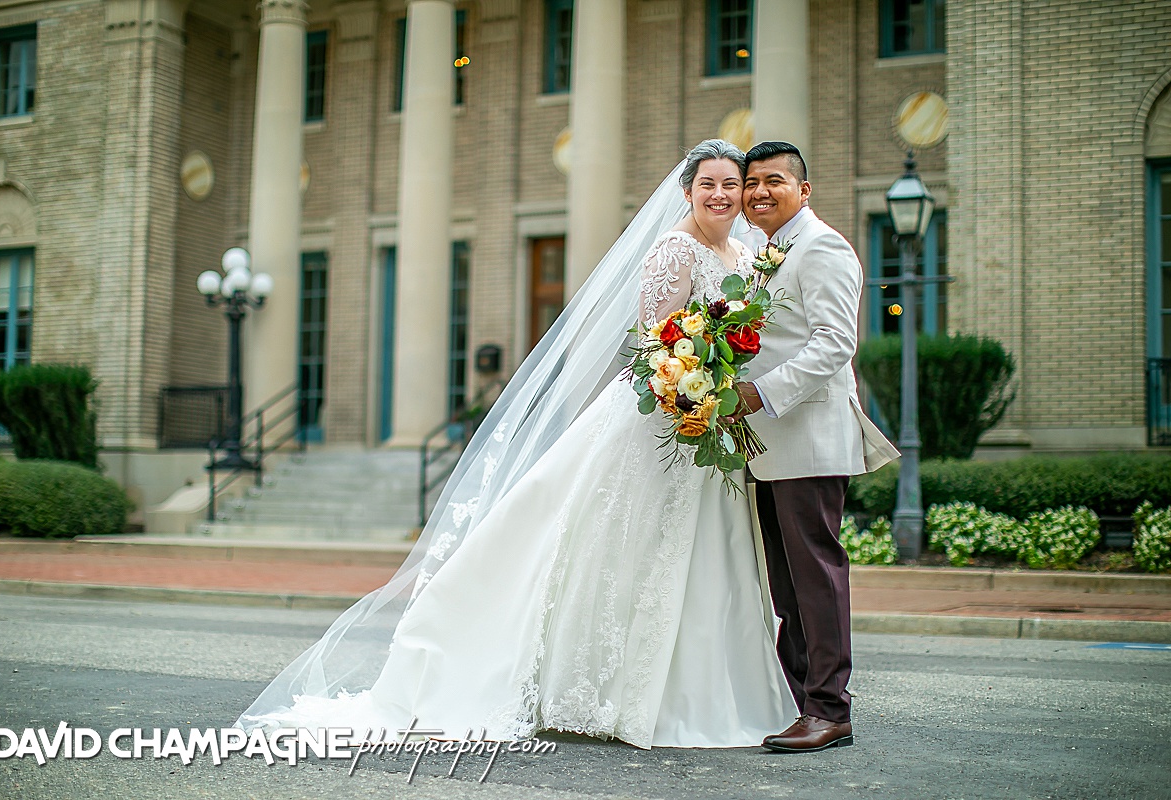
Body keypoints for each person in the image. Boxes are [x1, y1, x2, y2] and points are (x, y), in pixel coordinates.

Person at [237, 140, 798, 749]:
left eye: (732, 185)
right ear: (687, 190)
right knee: (612, 549)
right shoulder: (674, 249)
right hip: (661, 418)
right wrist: (690, 383)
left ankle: (693, 694)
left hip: (710, 427)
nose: (722, 195)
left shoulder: (744, 252)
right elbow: (654, 345)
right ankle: (591, 688)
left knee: (701, 557)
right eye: (709, 183)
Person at [724, 141, 899, 753]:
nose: (757, 193)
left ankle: (830, 708)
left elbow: (832, 345)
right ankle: (799, 698)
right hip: (769, 441)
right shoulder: (769, 253)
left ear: (803, 189)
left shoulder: (821, 247)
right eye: (751, 184)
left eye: (773, 181)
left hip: (808, 436)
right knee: (786, 579)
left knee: (815, 575)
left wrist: (758, 394)